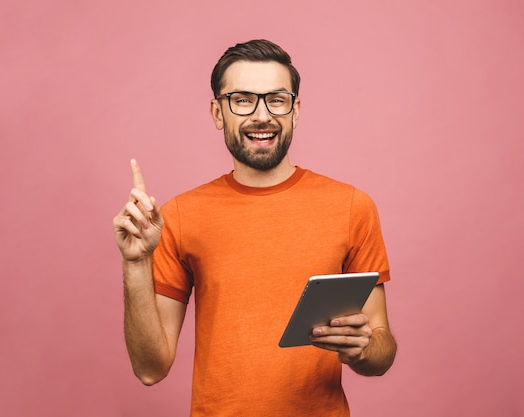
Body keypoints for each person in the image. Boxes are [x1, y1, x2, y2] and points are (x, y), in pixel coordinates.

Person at [113, 39, 397, 416]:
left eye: (277, 99)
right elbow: (150, 369)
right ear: (217, 113)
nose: (262, 115)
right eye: (242, 99)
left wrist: (362, 350)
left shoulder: (352, 207)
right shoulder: (180, 215)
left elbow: (382, 348)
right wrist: (135, 264)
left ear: (295, 110)